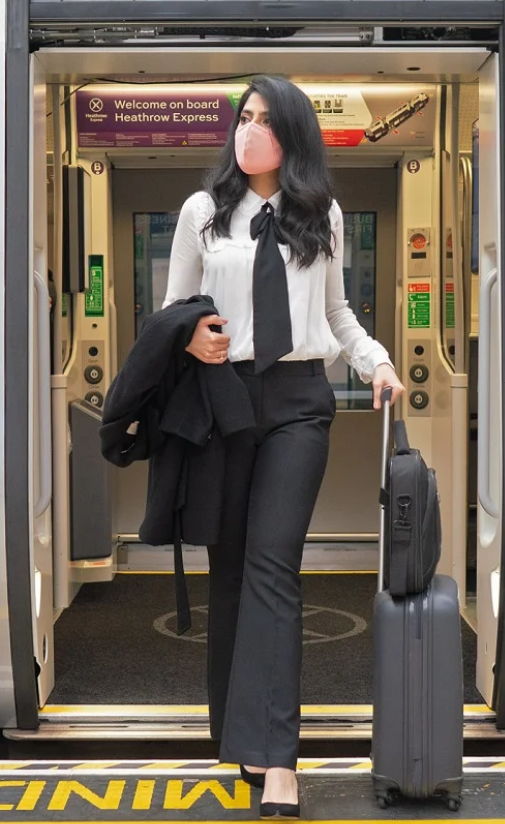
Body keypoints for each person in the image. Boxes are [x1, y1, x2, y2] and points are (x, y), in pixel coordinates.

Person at [161, 75, 405, 819]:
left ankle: (280, 765)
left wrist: (377, 362)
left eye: (265, 120)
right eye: (244, 116)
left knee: (274, 570)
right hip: (223, 402)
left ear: (292, 135)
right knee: (230, 575)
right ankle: (240, 736)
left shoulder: (320, 214)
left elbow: (335, 312)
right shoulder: (203, 213)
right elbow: (172, 311)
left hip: (300, 403)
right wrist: (192, 337)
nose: (249, 130)